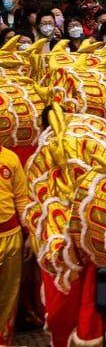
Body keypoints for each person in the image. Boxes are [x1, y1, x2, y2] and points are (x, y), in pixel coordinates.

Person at [0, 143, 29, 345]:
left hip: (10, 235)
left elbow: (21, 198)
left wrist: (28, 233)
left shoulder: (11, 158)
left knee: (8, 294)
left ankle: (3, 339)